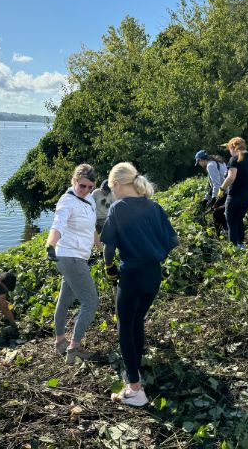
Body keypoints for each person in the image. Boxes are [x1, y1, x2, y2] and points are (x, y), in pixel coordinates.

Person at [100, 162, 179, 407]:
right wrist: (152, 254)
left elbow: (108, 248)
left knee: (125, 326)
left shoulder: (118, 208)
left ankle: (135, 389)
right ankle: (137, 363)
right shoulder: (154, 207)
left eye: (111, 187)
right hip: (153, 275)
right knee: (137, 320)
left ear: (116, 185)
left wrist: (109, 269)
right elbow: (172, 240)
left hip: (132, 275)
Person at [45, 164, 100, 365]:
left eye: (90, 187)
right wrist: (50, 244)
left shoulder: (90, 200)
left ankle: (60, 342)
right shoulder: (66, 201)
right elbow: (57, 225)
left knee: (65, 298)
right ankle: (73, 349)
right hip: (70, 257)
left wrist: (100, 248)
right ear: (74, 181)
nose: (86, 190)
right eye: (82, 186)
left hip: (77, 257)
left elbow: (92, 228)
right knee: (91, 302)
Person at [217, 137, 248, 248]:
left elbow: (231, 177)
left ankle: (233, 249)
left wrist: (222, 189)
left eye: (229, 148)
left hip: (236, 196)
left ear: (233, 147)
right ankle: (240, 245)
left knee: (232, 223)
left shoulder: (234, 159)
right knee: (239, 219)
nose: (229, 151)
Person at [194, 149, 227, 235]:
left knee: (216, 215)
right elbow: (210, 185)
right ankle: (227, 232)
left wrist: (214, 199)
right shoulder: (218, 162)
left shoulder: (210, 165)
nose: (200, 165)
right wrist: (206, 199)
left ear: (200, 160)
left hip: (223, 193)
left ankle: (219, 236)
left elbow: (216, 184)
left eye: (199, 163)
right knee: (220, 214)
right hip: (227, 191)